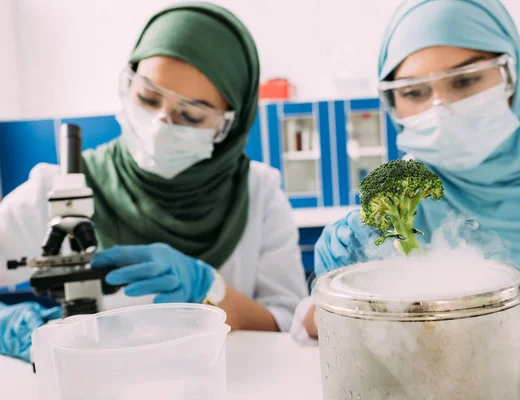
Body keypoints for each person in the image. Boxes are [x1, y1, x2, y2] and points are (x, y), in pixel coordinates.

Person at [0, 2, 308, 362]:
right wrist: (13, 325)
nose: (160, 125)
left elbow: (290, 324)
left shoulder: (260, 194)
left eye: (191, 115)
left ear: (229, 126)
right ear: (128, 84)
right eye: (148, 97)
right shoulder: (57, 189)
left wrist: (210, 288)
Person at [291, 0, 520, 346]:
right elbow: (320, 338)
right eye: (414, 92)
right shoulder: (407, 203)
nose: (440, 108)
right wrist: (336, 301)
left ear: (512, 75)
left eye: (465, 81)